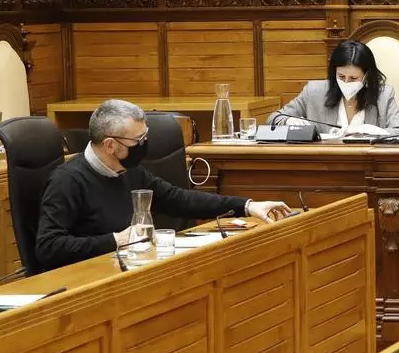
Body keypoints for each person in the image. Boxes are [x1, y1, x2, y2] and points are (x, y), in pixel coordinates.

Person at [37, 100, 292, 272]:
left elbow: (179, 199)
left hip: (129, 270)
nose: (145, 145)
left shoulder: (130, 170)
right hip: (89, 279)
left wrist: (246, 205)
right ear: (110, 145)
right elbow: (48, 247)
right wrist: (116, 239)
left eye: (145, 136)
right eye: (138, 140)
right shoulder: (67, 181)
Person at [269, 40, 399, 135]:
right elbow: (273, 119)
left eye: (353, 78)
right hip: (324, 163)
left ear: (366, 76)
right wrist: (288, 120)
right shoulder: (314, 91)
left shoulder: (383, 95)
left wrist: (374, 132)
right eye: (341, 76)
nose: (346, 82)